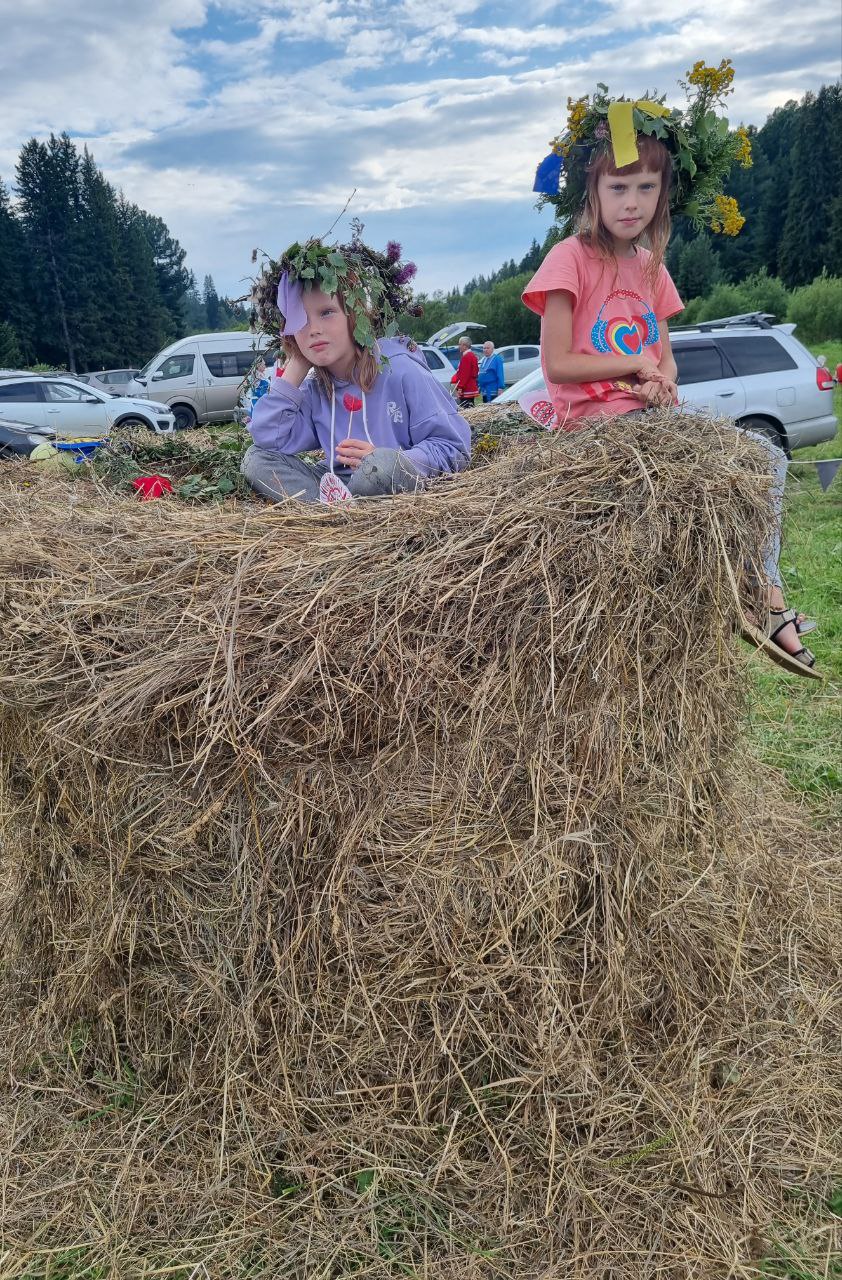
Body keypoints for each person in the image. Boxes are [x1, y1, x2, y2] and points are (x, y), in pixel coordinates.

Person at [524, 70, 818, 678]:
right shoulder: (567, 260)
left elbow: (666, 353)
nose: (632, 201)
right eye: (619, 186)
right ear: (593, 192)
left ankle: (764, 596)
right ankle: (751, 603)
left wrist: (662, 378)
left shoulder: (653, 268)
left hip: (652, 422)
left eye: (646, 187)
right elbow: (557, 364)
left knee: (764, 457)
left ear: (664, 193)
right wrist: (634, 365)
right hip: (593, 431)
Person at [242, 233, 470, 502]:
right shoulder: (316, 388)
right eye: (300, 320)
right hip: (335, 485)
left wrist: (389, 458)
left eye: (326, 312)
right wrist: (297, 363)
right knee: (255, 460)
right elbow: (270, 439)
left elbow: (453, 447)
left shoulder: (401, 371)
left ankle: (350, 506)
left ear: (356, 313)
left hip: (395, 477)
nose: (314, 329)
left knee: (378, 467)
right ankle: (332, 512)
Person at [450, 335, 479, 408]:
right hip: (470, 386)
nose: (458, 346)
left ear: (465, 346)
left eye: (460, 344)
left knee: (465, 408)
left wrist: (460, 387)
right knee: (470, 407)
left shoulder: (466, 357)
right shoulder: (472, 355)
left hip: (466, 388)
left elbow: (464, 374)